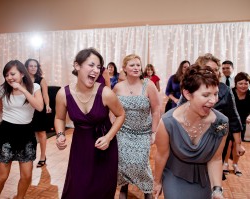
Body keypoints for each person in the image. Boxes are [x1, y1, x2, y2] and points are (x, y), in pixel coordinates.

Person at [55, 48, 125, 199]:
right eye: (91, 65)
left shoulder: (106, 93)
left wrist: (108, 137)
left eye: (98, 67)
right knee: (77, 189)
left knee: (102, 191)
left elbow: (121, 115)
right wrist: (60, 134)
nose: (95, 70)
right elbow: (59, 118)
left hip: (105, 148)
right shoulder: (63, 94)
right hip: (80, 147)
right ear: (77, 66)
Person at [154, 64, 228, 199]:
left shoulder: (221, 122)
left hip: (203, 179)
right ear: (187, 94)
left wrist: (217, 190)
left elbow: (216, 159)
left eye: (216, 94)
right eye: (206, 95)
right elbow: (161, 155)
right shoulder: (168, 122)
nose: (213, 101)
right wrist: (157, 182)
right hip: (174, 175)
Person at [0, 60, 43, 199]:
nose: (9, 77)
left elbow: (39, 107)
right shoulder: (2, 89)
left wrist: (23, 89)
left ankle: (19, 197)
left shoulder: (34, 87)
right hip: (5, 134)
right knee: (2, 176)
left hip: (26, 135)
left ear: (22, 74)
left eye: (12, 74)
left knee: (27, 175)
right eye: (6, 75)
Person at [177, 53, 245, 180]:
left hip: (216, 141)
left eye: (215, 70)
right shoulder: (190, 88)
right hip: (192, 139)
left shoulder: (225, 90)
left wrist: (238, 144)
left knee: (212, 177)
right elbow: (178, 113)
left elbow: (234, 118)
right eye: (209, 70)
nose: (213, 73)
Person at [113, 54, 160, 199]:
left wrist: (153, 132)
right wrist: (112, 130)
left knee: (141, 164)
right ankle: (124, 186)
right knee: (123, 161)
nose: (136, 68)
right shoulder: (118, 87)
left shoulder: (148, 84)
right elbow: (113, 110)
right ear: (124, 68)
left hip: (143, 133)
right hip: (123, 132)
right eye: (132, 65)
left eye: (138, 65)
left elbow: (156, 109)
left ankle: (147, 189)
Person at [25, 58, 51, 167]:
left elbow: (45, 94)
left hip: (39, 109)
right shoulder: (23, 80)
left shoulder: (41, 80)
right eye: (31, 66)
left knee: (41, 133)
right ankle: (28, 155)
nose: (33, 68)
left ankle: (43, 156)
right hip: (26, 110)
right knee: (28, 134)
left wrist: (47, 105)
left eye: (35, 66)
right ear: (26, 67)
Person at [223, 72, 250, 176]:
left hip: (241, 123)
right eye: (240, 83)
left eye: (246, 83)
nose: (243, 86)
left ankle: (235, 164)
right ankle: (225, 164)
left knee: (237, 144)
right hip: (229, 122)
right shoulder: (230, 93)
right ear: (236, 84)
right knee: (228, 143)